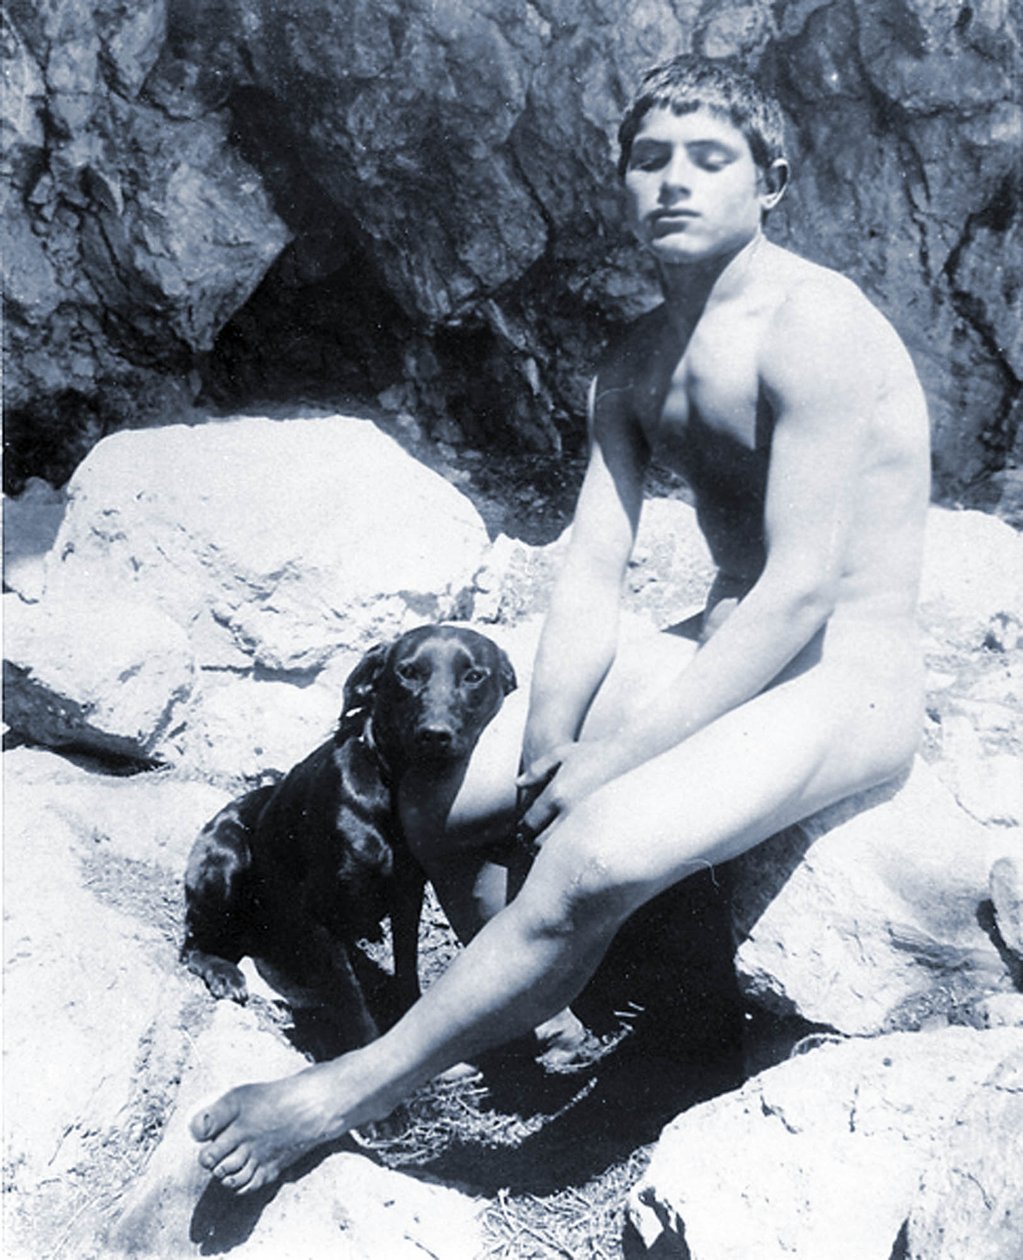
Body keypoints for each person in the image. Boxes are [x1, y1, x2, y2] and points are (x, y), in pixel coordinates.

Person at [192, 53, 930, 1193]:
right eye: (650, 159)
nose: (674, 180)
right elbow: (591, 569)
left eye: (710, 159)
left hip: (847, 673)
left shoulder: (813, 326)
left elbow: (799, 592)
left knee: (589, 849)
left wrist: (611, 762)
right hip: (721, 641)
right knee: (446, 800)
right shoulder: (634, 359)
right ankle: (542, 1018)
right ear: (622, 180)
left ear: (771, 182)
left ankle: (355, 1086)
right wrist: (548, 749)